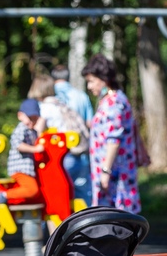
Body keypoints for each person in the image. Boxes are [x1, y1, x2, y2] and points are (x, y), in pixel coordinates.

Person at [83, 55, 140, 212]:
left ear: (104, 79)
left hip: (115, 174)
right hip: (113, 172)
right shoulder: (112, 99)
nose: (89, 86)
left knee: (115, 220)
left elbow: (113, 139)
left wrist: (106, 171)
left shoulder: (113, 102)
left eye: (91, 81)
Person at [51, 64, 94, 201]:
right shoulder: (81, 96)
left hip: (58, 155)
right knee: (82, 194)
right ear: (68, 77)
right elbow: (90, 123)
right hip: (81, 153)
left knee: (59, 196)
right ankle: (86, 222)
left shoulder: (50, 96)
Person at [7, 98, 43, 178]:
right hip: (20, 169)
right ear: (20, 116)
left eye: (35, 119)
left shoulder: (33, 131)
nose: (32, 122)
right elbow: (17, 144)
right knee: (32, 189)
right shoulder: (22, 128)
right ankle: (4, 192)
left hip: (29, 169)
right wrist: (35, 149)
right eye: (30, 118)